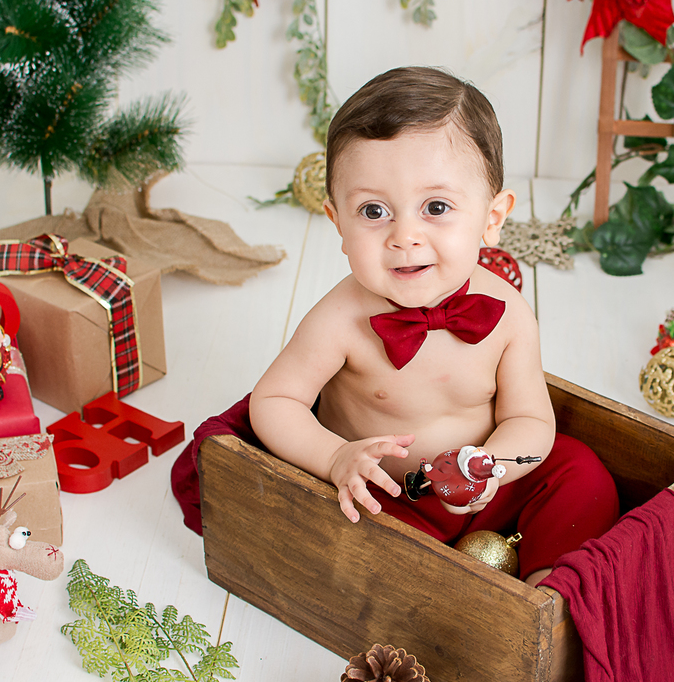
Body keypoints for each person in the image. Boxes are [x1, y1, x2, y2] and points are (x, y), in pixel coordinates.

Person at [249, 66, 617, 585]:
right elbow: (274, 401)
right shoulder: (339, 320)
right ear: (337, 224)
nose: (405, 236)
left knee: (582, 475)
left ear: (492, 218)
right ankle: (444, 592)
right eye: (373, 211)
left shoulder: (508, 314)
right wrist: (335, 459)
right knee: (356, 537)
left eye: (436, 207)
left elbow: (531, 421)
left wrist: (490, 466)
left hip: (490, 488)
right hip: (386, 497)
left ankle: (547, 587)